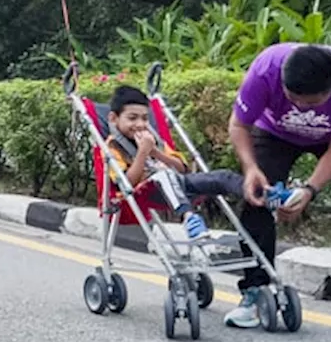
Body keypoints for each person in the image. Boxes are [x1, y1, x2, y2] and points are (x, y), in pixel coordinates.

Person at [226, 43, 331, 338]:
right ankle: (255, 289)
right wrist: (251, 167)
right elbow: (239, 125)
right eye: (294, 99)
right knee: (255, 196)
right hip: (275, 132)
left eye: (311, 102)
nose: (301, 108)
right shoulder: (267, 68)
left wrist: (310, 189)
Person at [104, 86, 289, 240]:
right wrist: (143, 153)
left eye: (144, 118)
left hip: (179, 183)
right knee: (163, 175)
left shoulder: (153, 139)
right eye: (132, 118)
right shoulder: (113, 146)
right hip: (145, 192)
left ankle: (266, 194)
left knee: (222, 177)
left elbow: (181, 168)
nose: (140, 124)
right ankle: (189, 217)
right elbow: (126, 182)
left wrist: (155, 152)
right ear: (114, 119)